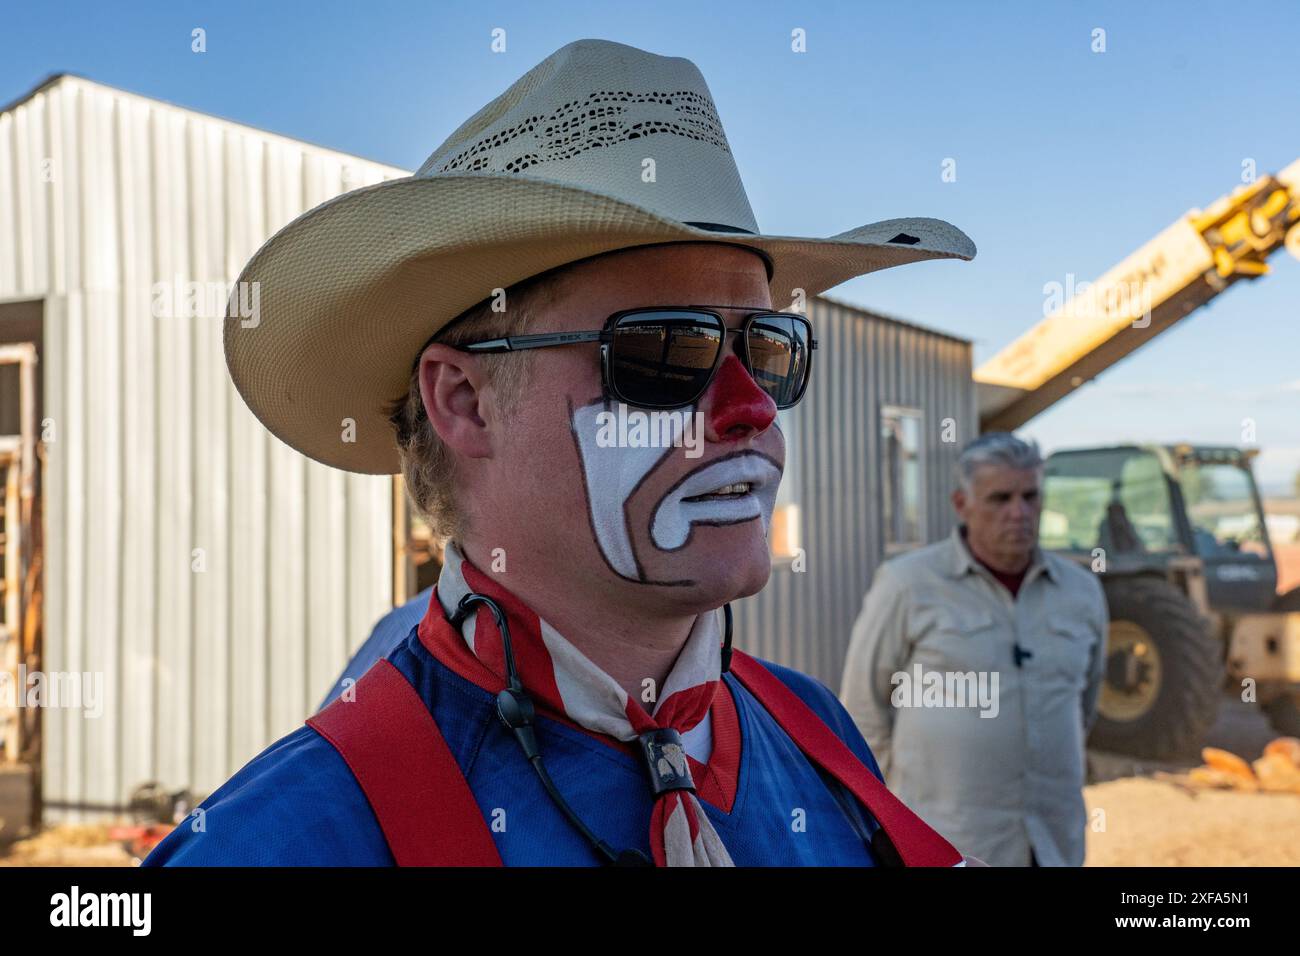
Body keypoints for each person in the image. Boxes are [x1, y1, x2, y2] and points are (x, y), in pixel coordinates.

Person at [145, 38, 978, 867]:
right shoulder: (286, 843)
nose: (750, 408)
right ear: (465, 403)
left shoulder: (813, 731)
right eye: (663, 352)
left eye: (769, 349)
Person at [840, 432, 1108, 866]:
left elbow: (1084, 705)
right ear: (961, 504)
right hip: (950, 845)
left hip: (1053, 841)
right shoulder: (908, 584)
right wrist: (892, 814)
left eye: (1030, 496)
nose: (1018, 512)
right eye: (1000, 498)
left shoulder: (1082, 591)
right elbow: (863, 709)